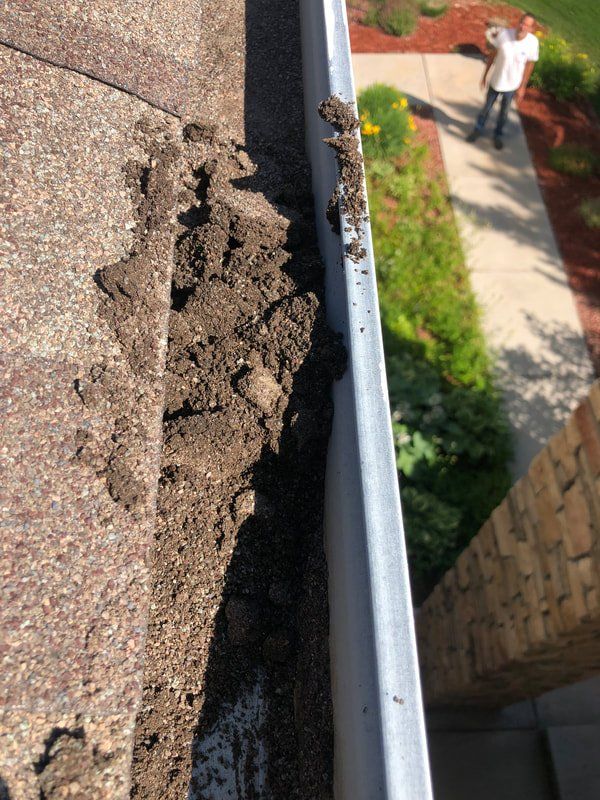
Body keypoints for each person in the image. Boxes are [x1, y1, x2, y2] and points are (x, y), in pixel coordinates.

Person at [467, 12, 539, 150]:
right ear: (518, 22)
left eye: (527, 25)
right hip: (496, 82)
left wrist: (522, 87)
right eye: (522, 23)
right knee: (486, 109)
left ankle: (497, 135)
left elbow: (530, 65)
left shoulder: (532, 43)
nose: (522, 27)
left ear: (531, 29)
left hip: (512, 86)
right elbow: (492, 56)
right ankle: (477, 130)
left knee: (504, 113)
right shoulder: (504, 35)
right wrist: (484, 76)